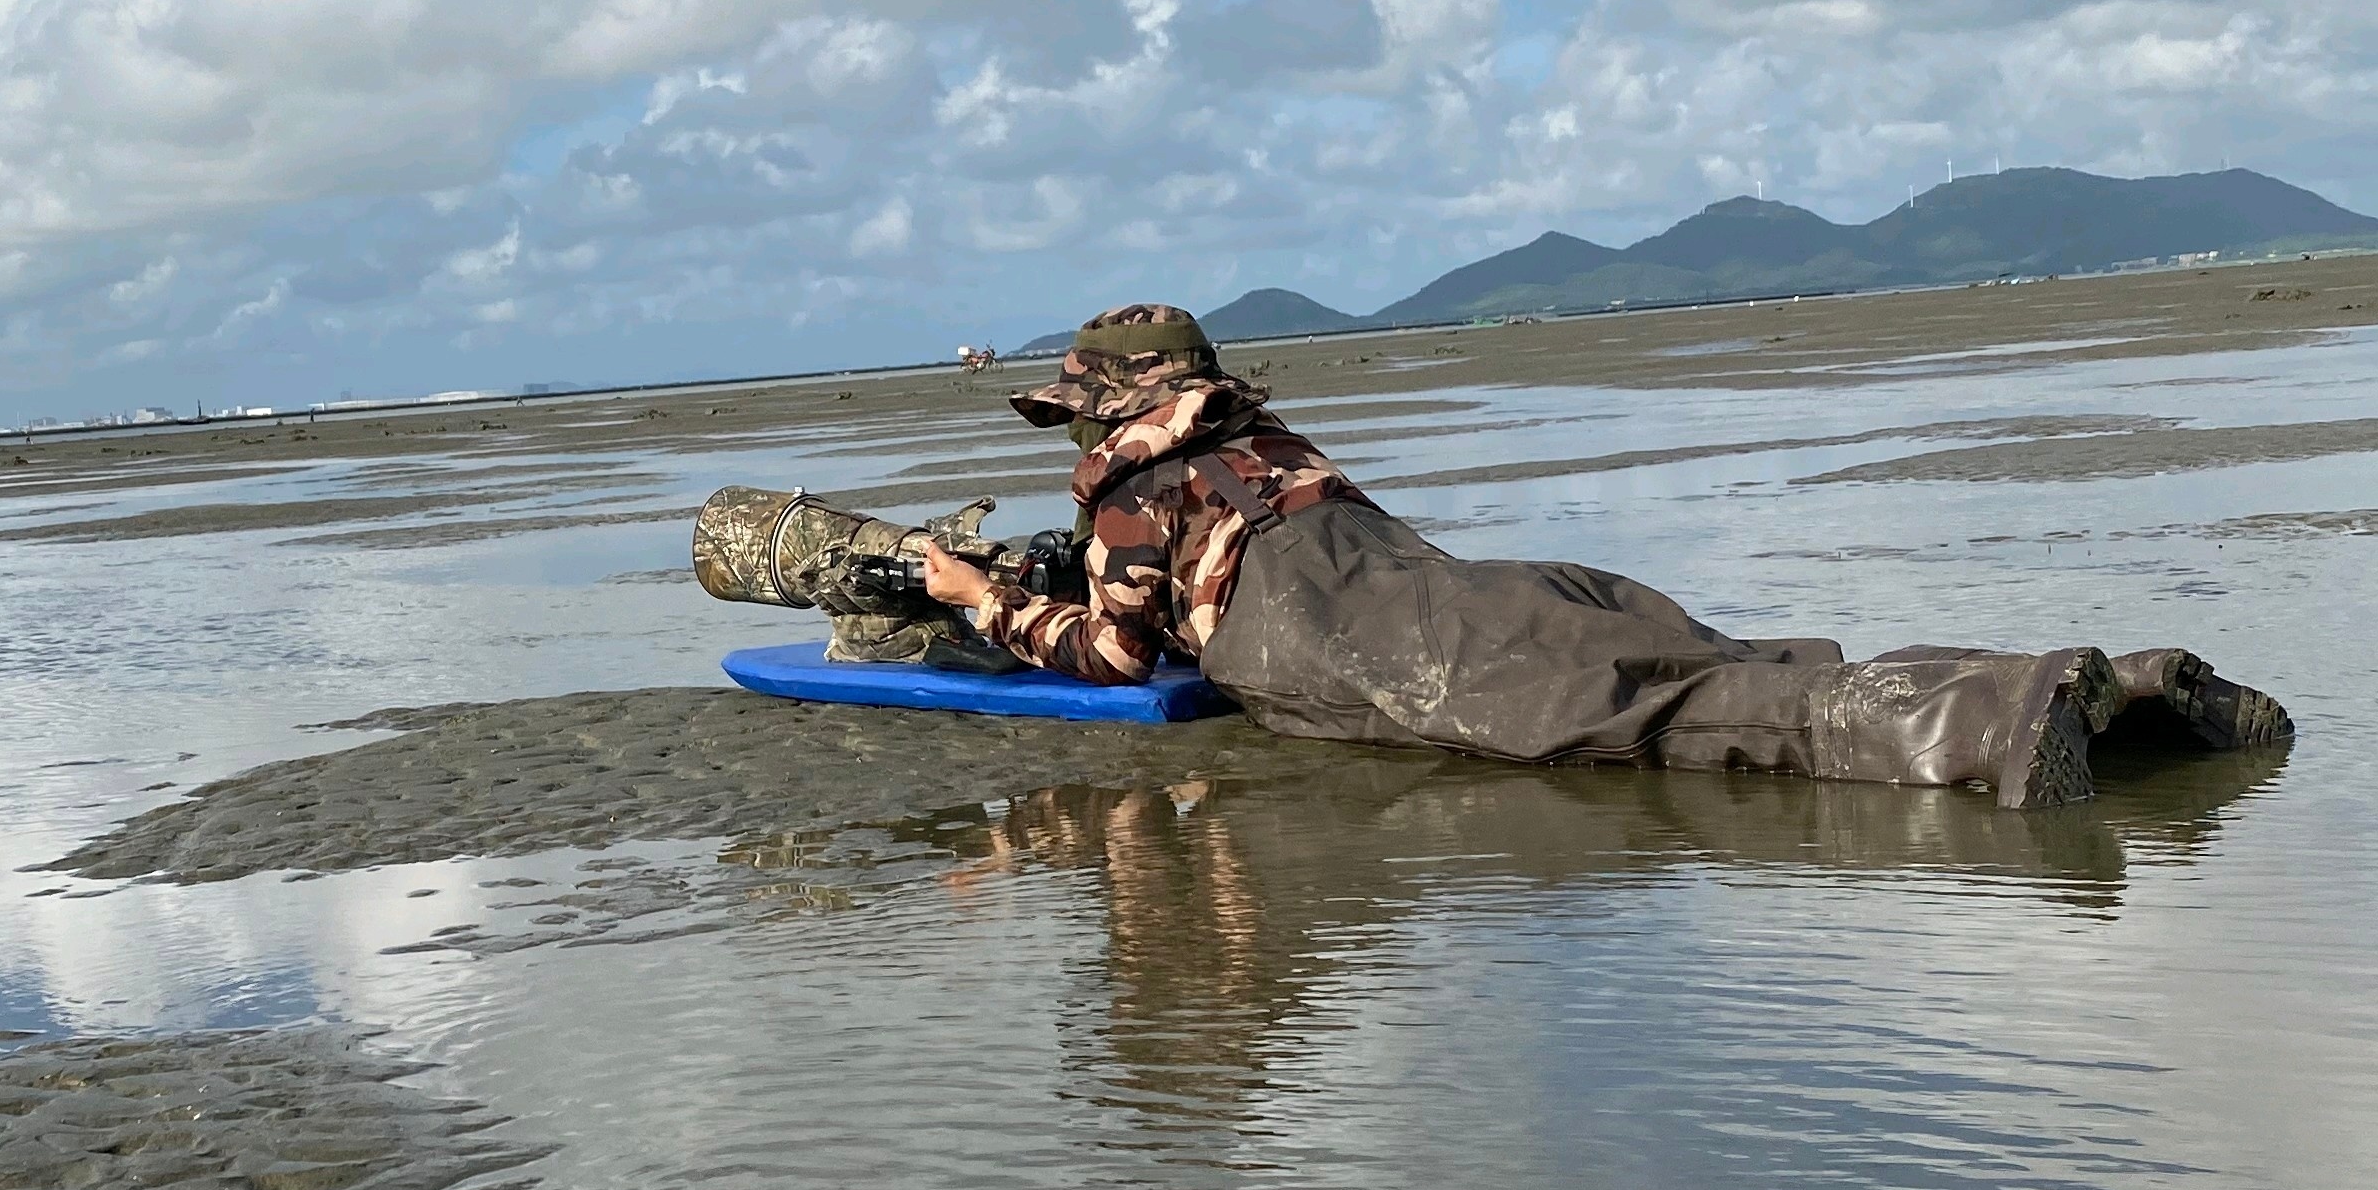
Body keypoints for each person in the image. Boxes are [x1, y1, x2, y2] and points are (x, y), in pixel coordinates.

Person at [910, 304, 2288, 810]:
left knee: (1696, 715)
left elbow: (1111, 655)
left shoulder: (1138, 495)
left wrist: (983, 603)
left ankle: (2014, 715)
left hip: (1413, 657)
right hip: (1498, 590)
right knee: (1734, 666)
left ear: (1112, 406)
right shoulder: (1271, 447)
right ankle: (2138, 685)